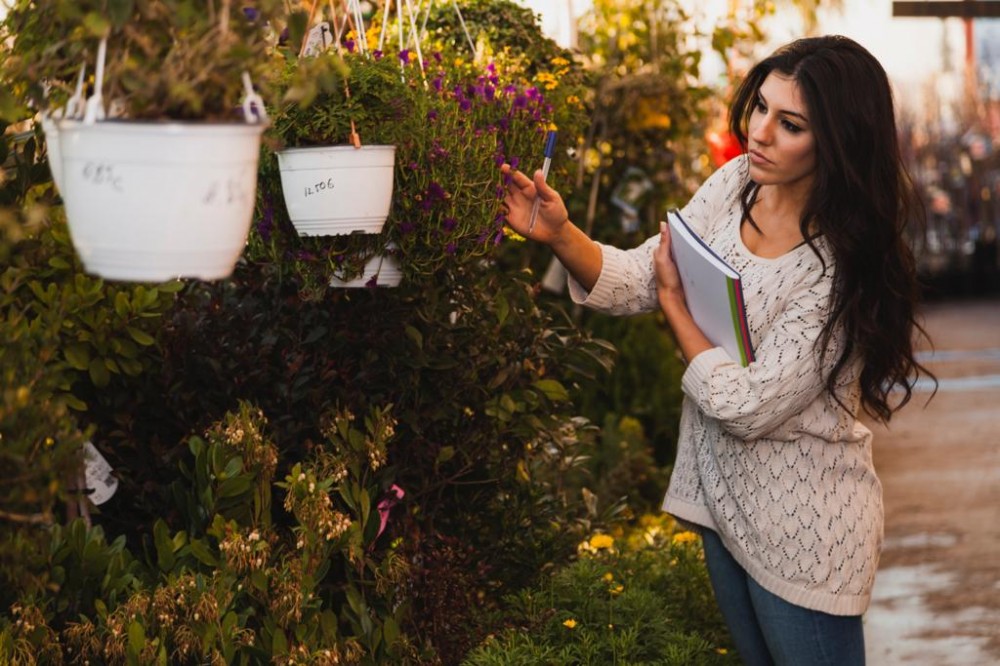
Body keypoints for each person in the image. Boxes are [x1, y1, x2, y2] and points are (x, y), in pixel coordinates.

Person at [501, 35, 934, 666]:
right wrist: (561, 234)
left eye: (789, 125)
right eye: (760, 108)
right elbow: (646, 280)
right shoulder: (736, 185)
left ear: (837, 141)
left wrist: (678, 308)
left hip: (805, 536)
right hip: (722, 505)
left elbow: (748, 405)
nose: (759, 132)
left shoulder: (837, 268)